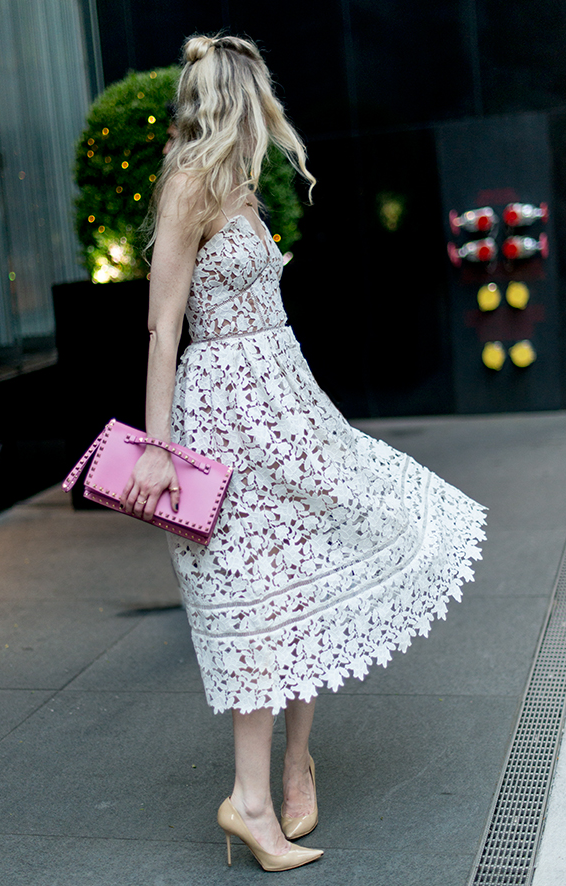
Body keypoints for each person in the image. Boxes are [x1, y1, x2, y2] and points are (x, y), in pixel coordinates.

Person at [121, 34, 486, 872]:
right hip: (227, 425)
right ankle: (251, 803)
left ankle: (288, 769)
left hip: (285, 411)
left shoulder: (239, 183)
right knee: (257, 608)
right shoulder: (187, 184)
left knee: (300, 586)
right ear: (237, 98)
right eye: (257, 96)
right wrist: (156, 446)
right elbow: (163, 325)